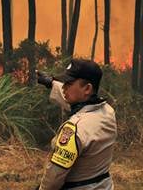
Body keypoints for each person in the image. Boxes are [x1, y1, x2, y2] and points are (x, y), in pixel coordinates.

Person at [36, 59, 117, 190]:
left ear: (87, 89)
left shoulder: (73, 129)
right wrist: (51, 83)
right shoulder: (107, 112)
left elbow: (54, 178)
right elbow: (79, 106)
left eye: (69, 84)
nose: (63, 87)